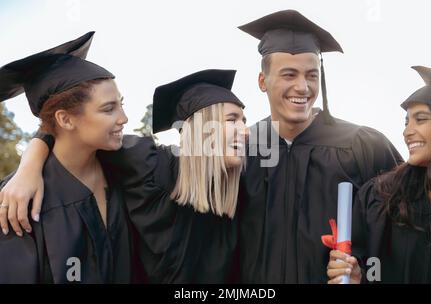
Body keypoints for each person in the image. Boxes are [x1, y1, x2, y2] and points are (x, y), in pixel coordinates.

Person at [1, 69, 249, 283]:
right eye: (231, 120)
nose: (245, 131)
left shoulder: (249, 182)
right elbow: (71, 137)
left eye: (244, 120)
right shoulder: (149, 164)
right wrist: (30, 164)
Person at [236, 9, 403, 283]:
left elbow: (402, 238)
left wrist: (367, 274)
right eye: (289, 75)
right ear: (262, 81)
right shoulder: (244, 149)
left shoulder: (364, 147)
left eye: (311, 75)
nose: (302, 87)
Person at [0, 32, 132, 283]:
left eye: (121, 104)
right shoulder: (18, 205)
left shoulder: (127, 169)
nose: (124, 118)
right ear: (65, 119)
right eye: (109, 108)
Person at [327, 66, 431, 284]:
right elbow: (370, 270)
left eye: (420, 120)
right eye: (406, 122)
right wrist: (358, 276)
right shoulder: (383, 198)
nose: (407, 132)